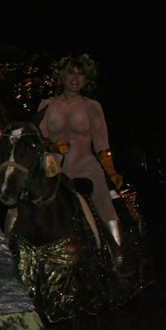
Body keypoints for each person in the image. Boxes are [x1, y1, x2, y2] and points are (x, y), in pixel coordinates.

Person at [38, 54, 124, 255]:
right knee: (26, 202)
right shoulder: (47, 104)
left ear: (87, 80)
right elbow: (39, 140)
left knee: (104, 203)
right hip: (55, 169)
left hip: (86, 166)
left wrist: (111, 172)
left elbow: (102, 143)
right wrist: (51, 146)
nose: (75, 78)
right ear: (61, 76)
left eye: (81, 74)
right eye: (71, 72)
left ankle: (117, 256)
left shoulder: (92, 106)